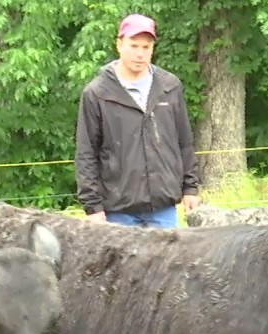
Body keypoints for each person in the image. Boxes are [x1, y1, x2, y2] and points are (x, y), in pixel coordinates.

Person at [74, 13, 201, 227]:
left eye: (146, 47)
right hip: (117, 211)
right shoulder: (96, 93)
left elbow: (184, 142)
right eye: (134, 46)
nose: (140, 54)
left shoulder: (169, 86)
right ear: (119, 44)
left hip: (163, 208)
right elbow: (86, 153)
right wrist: (92, 207)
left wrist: (190, 188)